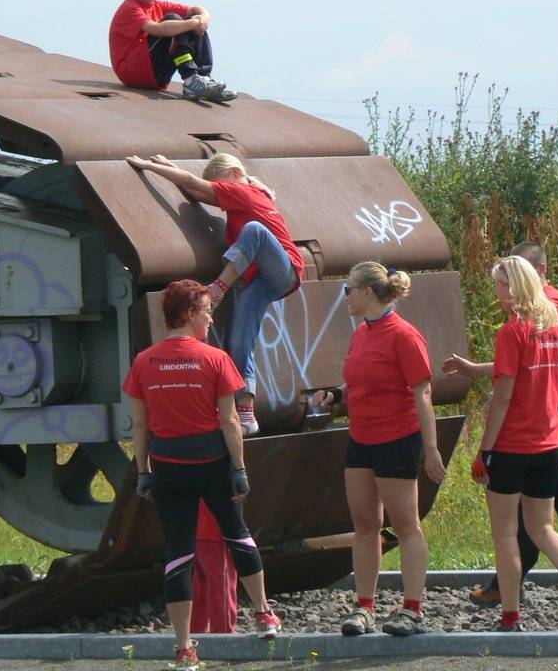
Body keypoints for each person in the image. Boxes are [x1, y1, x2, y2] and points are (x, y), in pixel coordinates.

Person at [443, 241, 558, 605]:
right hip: (552, 424)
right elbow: (532, 364)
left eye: (504, 281)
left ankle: (526, 593)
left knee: (541, 511)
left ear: (535, 275)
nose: (497, 290)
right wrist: (478, 369)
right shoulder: (544, 316)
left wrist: (545, 418)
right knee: (549, 508)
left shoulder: (548, 309)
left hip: (550, 423)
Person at [122, 279, 281, 671]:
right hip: (212, 466)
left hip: (169, 469)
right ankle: (263, 614)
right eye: (207, 310)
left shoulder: (144, 362)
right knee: (237, 534)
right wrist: (240, 469)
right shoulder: (215, 359)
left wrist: (143, 471)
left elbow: (140, 427)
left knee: (178, 555)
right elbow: (229, 420)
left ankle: (184, 649)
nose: (211, 318)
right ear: (190, 313)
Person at [310, 262, 447, 638]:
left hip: (397, 439)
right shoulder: (361, 333)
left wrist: (431, 448)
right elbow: (357, 380)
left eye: (348, 290)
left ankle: (413, 610)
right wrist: (337, 395)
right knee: (365, 524)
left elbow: (423, 392)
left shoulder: (404, 335)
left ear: (368, 291)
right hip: (361, 438)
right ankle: (365, 608)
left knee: (405, 526)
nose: (345, 296)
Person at [468, 255, 558, 632]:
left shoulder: (511, 333)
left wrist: (485, 450)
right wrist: (554, 432)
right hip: (548, 446)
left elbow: (503, 397)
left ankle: (510, 617)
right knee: (543, 528)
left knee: (506, 534)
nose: (496, 292)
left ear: (513, 288)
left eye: (499, 284)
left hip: (511, 448)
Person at [125, 152, 304, 436]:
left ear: (233, 173)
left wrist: (148, 167)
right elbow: (196, 190)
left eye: (218, 183)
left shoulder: (244, 192)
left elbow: (193, 182)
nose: (218, 191)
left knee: (254, 229)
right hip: (262, 281)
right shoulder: (248, 195)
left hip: (285, 268)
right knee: (239, 339)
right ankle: (246, 412)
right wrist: (171, 165)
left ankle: (218, 288)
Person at [109, 0, 236, 102]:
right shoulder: (130, 8)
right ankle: (190, 79)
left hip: (156, 76)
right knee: (175, 20)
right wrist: (194, 23)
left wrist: (203, 17)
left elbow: (196, 9)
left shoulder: (159, 5)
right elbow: (156, 29)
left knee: (191, 20)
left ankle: (204, 80)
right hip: (134, 74)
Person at [190, 501, 238, 634]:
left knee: (200, 584)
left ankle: (194, 634)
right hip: (216, 528)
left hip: (196, 528)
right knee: (221, 585)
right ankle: (223, 635)